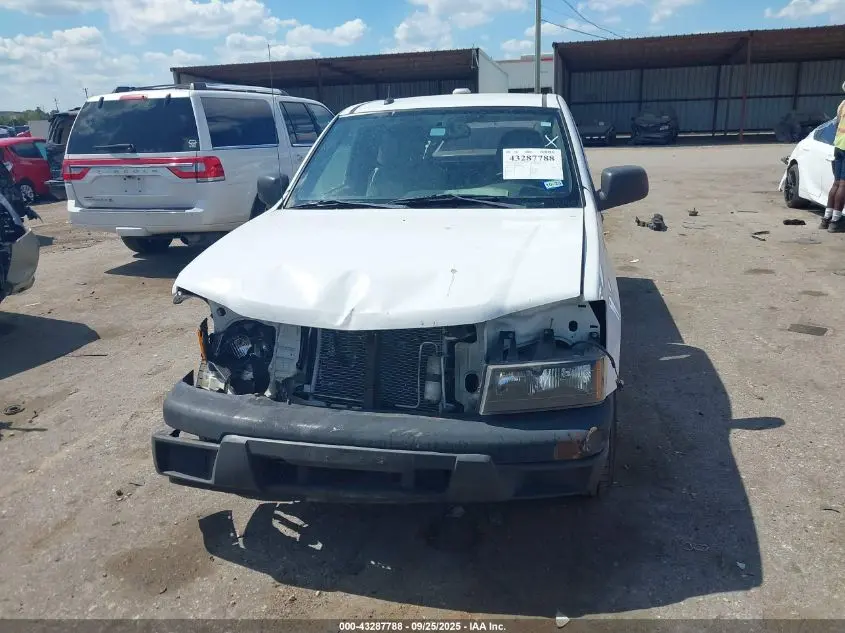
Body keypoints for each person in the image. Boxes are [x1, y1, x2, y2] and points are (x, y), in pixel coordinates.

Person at [821, 81, 845, 232]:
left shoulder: (842, 104)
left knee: (836, 183)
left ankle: (825, 219)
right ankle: (835, 221)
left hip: (838, 146)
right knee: (843, 185)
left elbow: (836, 125)